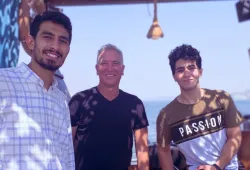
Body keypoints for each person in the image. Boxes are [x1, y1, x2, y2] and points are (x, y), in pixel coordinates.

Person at [0, 11, 75, 170]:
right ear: (31, 42)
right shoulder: (3, 82)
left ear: (68, 49)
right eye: (47, 37)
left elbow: (68, 159)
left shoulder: (62, 101)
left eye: (62, 40)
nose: (55, 46)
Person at [156, 44, 243, 170]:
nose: (186, 73)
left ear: (200, 72)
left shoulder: (222, 98)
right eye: (180, 70)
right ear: (174, 76)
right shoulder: (166, 115)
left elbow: (235, 136)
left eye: (191, 67)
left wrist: (216, 167)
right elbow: (163, 151)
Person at [69, 44, 150, 170]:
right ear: (97, 68)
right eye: (104, 63)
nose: (110, 68)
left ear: (122, 69)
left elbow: (142, 151)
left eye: (115, 63)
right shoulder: (78, 101)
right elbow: (64, 147)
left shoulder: (135, 104)